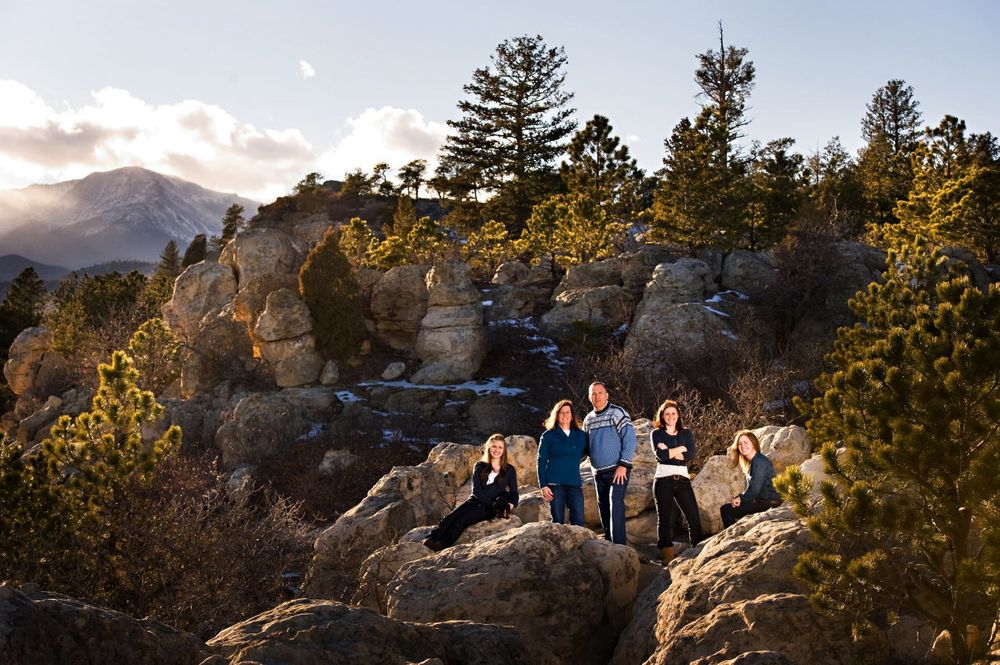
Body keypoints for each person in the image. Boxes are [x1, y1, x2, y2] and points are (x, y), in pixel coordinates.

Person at [423, 434, 519, 551]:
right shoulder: (479, 466)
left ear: (504, 450)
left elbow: (514, 494)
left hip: (490, 508)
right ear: (489, 447)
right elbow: (476, 490)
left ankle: (442, 545)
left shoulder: (509, 470)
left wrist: (509, 505)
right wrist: (490, 502)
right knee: (449, 518)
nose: (496, 450)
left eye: (500, 447)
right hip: (474, 500)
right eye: (494, 447)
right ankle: (431, 538)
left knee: (461, 521)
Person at [582, 381, 636, 545]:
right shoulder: (588, 420)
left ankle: (619, 546)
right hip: (598, 473)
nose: (597, 396)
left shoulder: (617, 413)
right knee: (604, 508)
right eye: (593, 393)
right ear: (590, 397)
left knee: (615, 504)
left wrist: (623, 465)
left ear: (607, 395)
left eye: (600, 393)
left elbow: (630, 439)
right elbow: (585, 447)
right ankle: (609, 543)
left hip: (617, 470)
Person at [650, 399, 702, 565]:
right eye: (667, 414)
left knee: (693, 516)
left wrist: (670, 450)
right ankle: (667, 557)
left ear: (678, 415)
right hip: (662, 480)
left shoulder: (686, 433)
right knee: (665, 519)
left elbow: (690, 456)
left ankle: (698, 551)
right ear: (662, 416)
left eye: (673, 413)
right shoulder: (656, 434)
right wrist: (681, 449)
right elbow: (661, 456)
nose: (670, 416)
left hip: (683, 481)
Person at [537, 399, 589, 526]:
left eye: (568, 412)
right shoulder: (548, 435)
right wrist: (543, 485)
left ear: (572, 416)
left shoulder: (581, 435)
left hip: (574, 484)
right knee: (557, 521)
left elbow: (589, 452)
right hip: (554, 485)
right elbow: (541, 460)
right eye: (561, 412)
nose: (565, 415)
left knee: (579, 521)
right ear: (556, 415)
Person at [720, 430, 782, 528]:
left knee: (726, 510)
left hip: (770, 503)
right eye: (740, 443)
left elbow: (754, 490)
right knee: (732, 506)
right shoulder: (753, 461)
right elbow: (752, 489)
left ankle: (735, 537)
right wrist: (739, 497)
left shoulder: (759, 462)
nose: (742, 446)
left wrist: (740, 498)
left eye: (745, 442)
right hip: (761, 501)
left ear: (754, 444)